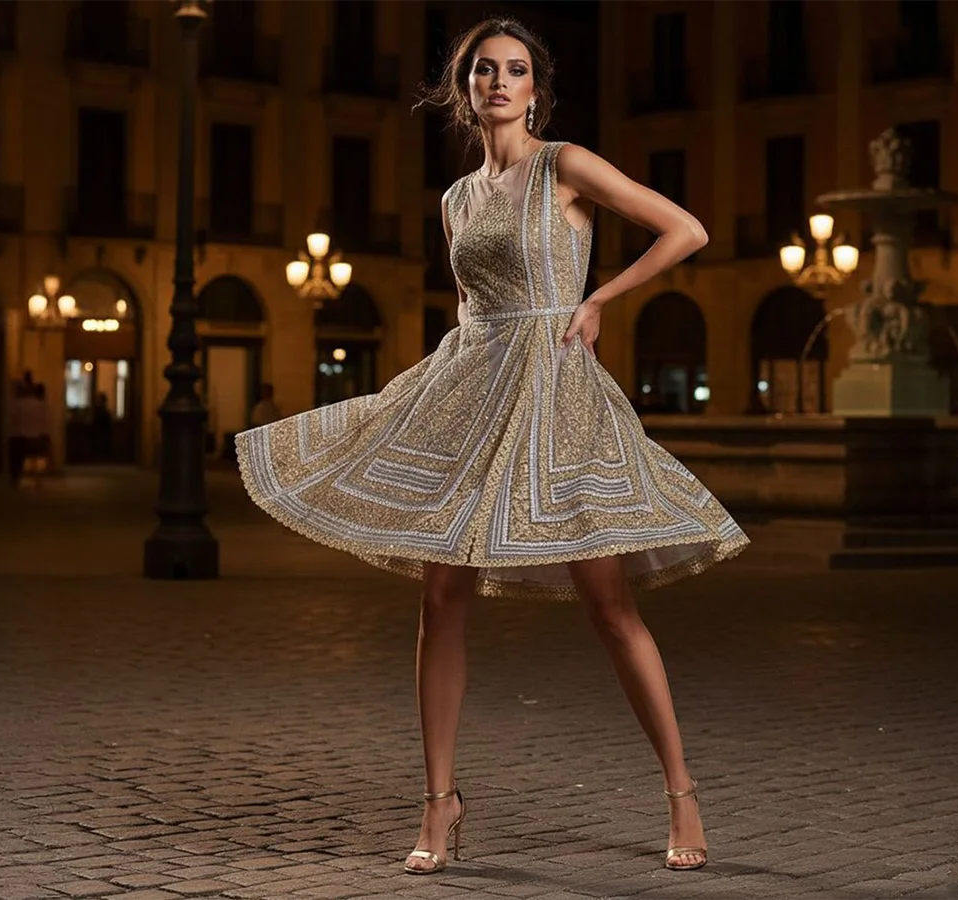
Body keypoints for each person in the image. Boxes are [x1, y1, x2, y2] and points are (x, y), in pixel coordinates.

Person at [234, 18, 748, 876]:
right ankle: (440, 802)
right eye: (483, 71)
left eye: (515, 71)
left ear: (535, 90)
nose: (499, 83)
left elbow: (685, 230)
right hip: (472, 385)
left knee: (610, 607)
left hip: (556, 390)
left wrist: (599, 301)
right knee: (440, 601)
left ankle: (681, 790)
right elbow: (478, 305)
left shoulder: (566, 164)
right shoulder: (456, 199)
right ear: (464, 88)